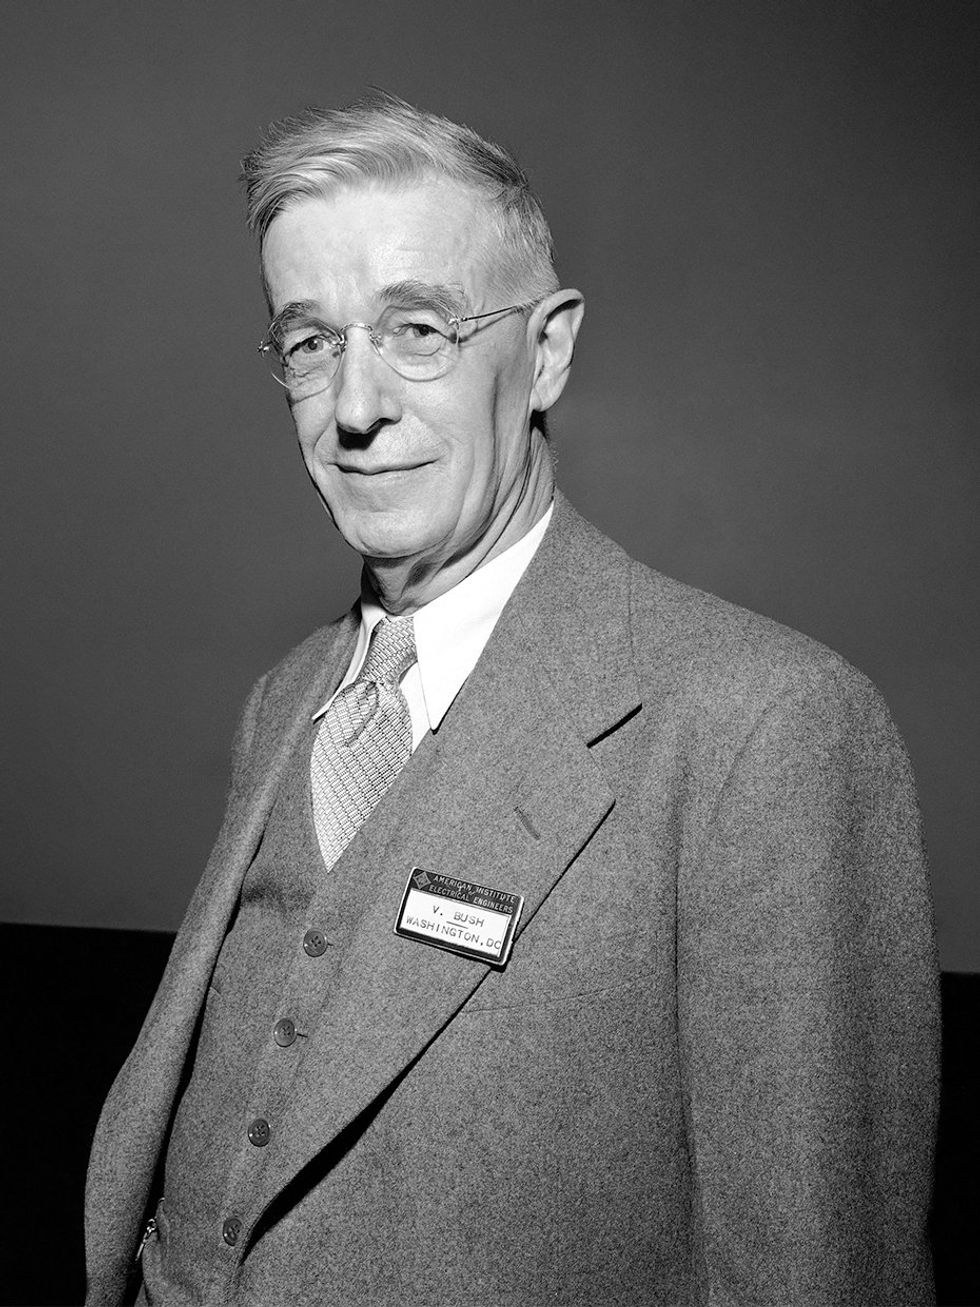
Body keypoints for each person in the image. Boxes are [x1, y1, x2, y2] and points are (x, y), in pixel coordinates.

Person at [85, 93, 939, 1307]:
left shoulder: (765, 724)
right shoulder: (287, 701)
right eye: (312, 343)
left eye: (417, 329)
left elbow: (814, 1271)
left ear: (545, 352)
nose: (356, 407)